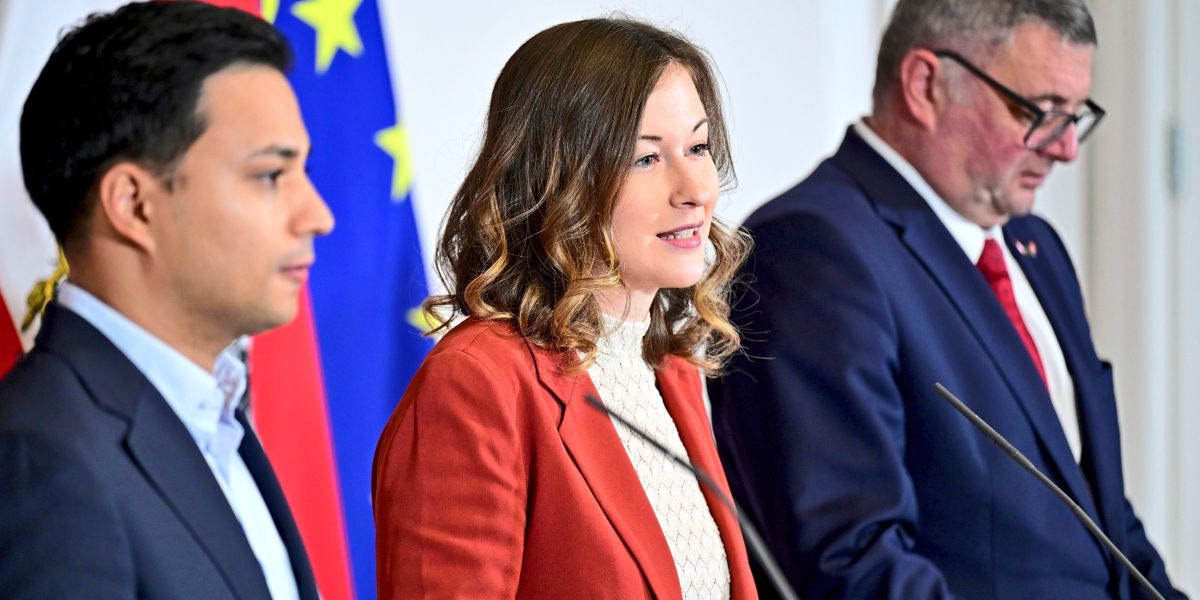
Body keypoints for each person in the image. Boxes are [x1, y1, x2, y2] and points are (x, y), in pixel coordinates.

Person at [709, 0, 1188, 598]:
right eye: (1040, 112)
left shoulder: (1034, 246)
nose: (1066, 148)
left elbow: (1103, 519)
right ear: (925, 85)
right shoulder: (810, 250)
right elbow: (852, 561)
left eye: (1074, 116)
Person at [372, 18, 756, 599]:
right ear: (560, 180)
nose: (695, 191)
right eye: (645, 158)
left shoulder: (669, 369)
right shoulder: (476, 383)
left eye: (698, 148)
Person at [0, 2, 333, 598]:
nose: (318, 216)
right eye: (270, 175)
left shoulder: (215, 417)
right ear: (134, 205)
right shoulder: (38, 457)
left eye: (303, 172)